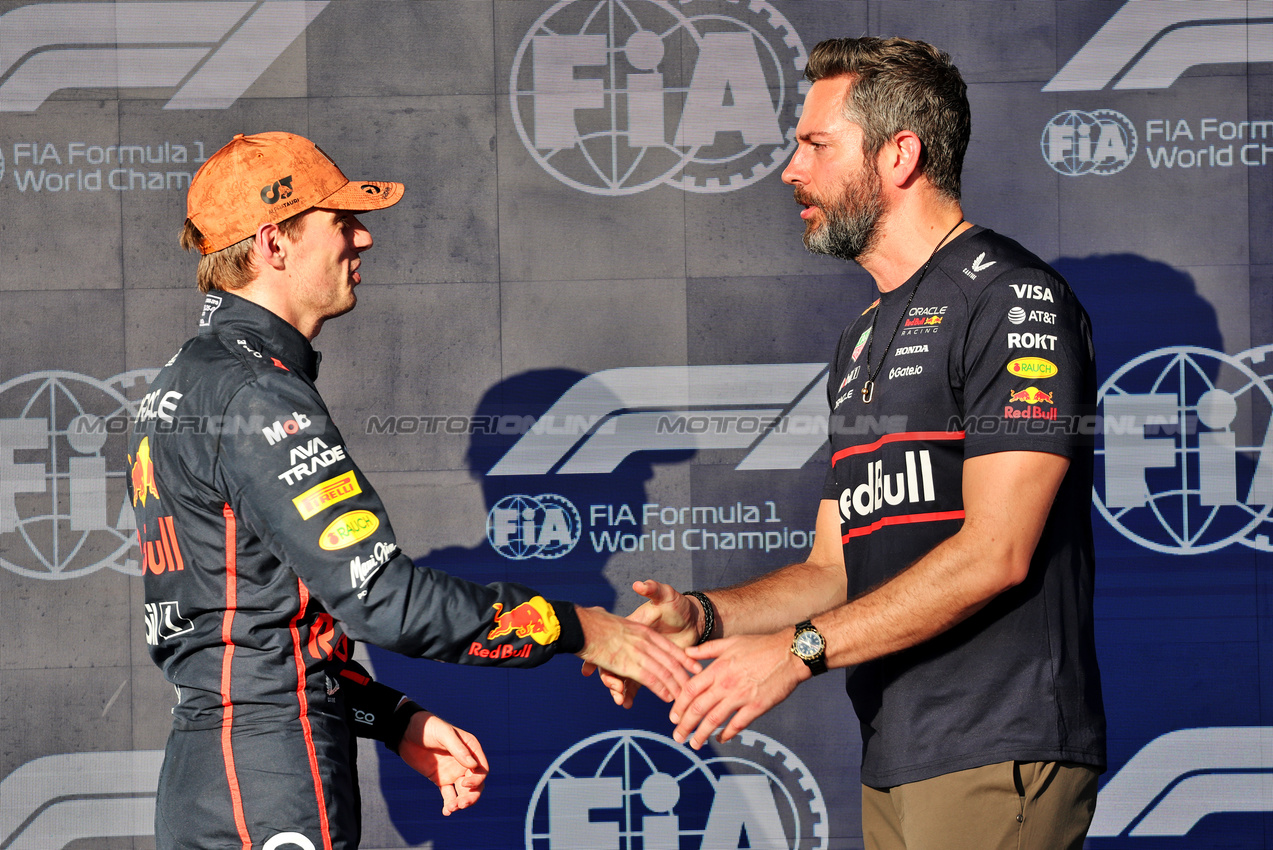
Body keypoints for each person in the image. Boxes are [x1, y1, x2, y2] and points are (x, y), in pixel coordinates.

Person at [602, 37, 1106, 850]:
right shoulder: (863, 336)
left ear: (899, 154)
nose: (790, 171)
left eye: (815, 145)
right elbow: (833, 568)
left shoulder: (1012, 298)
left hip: (997, 742)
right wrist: (701, 617)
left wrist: (795, 654)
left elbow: (996, 550)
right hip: (895, 755)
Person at [129, 131, 697, 850]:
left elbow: (259, 633)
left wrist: (393, 718)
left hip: (211, 771)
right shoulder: (258, 393)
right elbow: (381, 602)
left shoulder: (183, 380)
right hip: (270, 779)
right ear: (274, 244)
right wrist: (586, 627)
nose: (362, 239)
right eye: (339, 222)